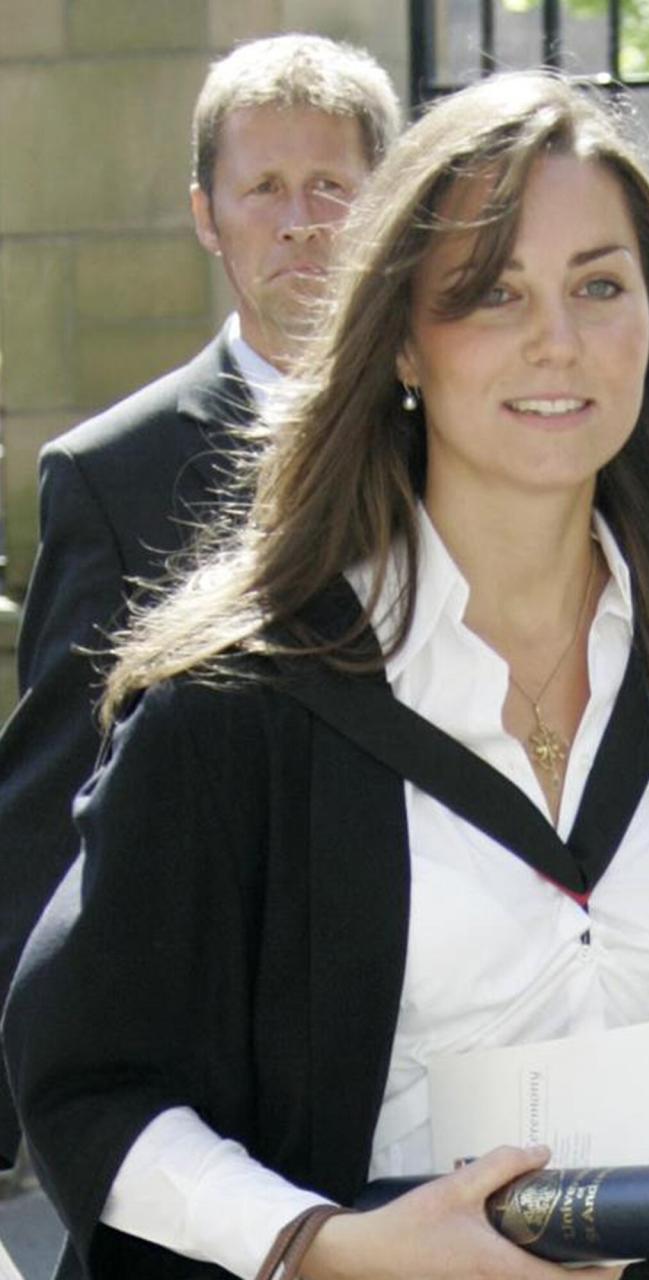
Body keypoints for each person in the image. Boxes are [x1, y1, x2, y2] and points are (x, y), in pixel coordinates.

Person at [4, 72, 649, 1280]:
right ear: (402, 333)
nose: (557, 337)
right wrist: (329, 1244)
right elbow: (91, 1083)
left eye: (599, 285)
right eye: (491, 292)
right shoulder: (242, 700)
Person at [0, 32, 401, 1172]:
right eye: (263, 187)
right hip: (216, 1092)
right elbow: (49, 800)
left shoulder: (474, 438)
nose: (301, 220)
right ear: (204, 214)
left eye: (332, 184)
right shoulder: (112, 475)